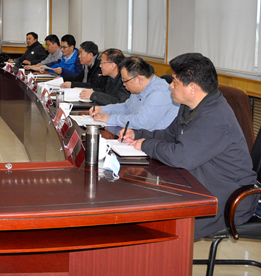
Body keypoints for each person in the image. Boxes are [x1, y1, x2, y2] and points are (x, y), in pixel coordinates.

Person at [121, 53, 258, 239]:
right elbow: (169, 136)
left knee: (157, 222)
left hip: (227, 197)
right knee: (145, 202)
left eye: (175, 82)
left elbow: (181, 157)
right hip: (201, 181)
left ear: (193, 88)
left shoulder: (215, 117)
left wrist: (146, 145)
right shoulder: (191, 106)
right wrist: (138, 135)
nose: (170, 85)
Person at [90, 56, 179, 131]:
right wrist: (103, 110)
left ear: (139, 79)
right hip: (139, 135)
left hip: (157, 140)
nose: (124, 84)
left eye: (125, 81)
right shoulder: (139, 88)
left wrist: (110, 118)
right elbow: (127, 107)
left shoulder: (160, 92)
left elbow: (141, 123)